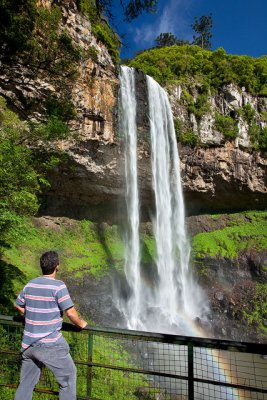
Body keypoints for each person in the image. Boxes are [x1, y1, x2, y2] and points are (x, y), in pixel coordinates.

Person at [14, 251, 87, 400]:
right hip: (49, 343)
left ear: (42, 266)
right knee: (68, 377)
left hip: (28, 344)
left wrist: (32, 315)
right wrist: (81, 324)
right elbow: (71, 313)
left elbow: (18, 305)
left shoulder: (30, 284)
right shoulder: (58, 286)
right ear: (57, 267)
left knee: (26, 384)